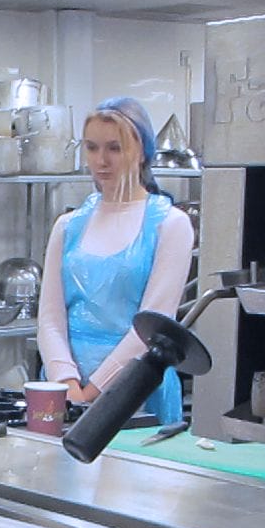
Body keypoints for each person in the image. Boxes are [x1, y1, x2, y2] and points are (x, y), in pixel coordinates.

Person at [37, 97, 193, 424]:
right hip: (63, 388)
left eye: (115, 148)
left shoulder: (170, 225)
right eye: (92, 148)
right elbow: (50, 319)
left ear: (142, 152)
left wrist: (92, 392)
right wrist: (66, 382)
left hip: (136, 388)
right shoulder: (68, 226)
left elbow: (152, 326)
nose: (101, 161)